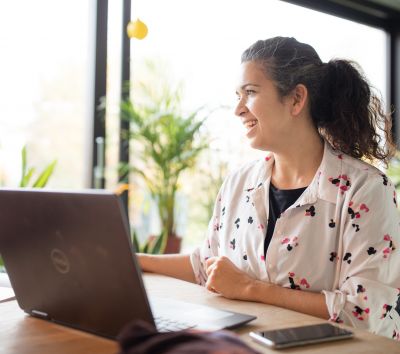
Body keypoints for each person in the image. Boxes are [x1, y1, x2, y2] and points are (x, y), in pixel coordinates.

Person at [138, 36, 400, 340]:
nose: (238, 108)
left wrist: (251, 289)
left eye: (250, 92)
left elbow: (364, 312)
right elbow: (206, 266)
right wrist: (134, 261)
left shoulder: (365, 189)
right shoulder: (238, 182)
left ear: (296, 99)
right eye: (238, 94)